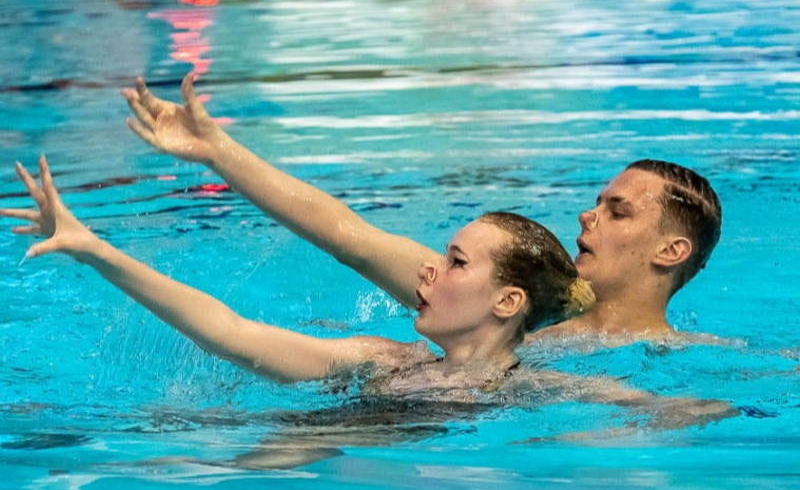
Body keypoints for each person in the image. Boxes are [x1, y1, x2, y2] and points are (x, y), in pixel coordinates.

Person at [122, 74, 723, 345]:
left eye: (618, 212)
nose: (587, 218)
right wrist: (217, 151)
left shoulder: (693, 365)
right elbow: (346, 235)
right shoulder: (494, 297)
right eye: (596, 204)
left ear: (672, 251)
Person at [0, 156, 595, 395]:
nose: (430, 270)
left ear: (508, 300)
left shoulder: (537, 394)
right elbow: (230, 334)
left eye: (457, 263)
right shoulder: (383, 358)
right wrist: (96, 251)